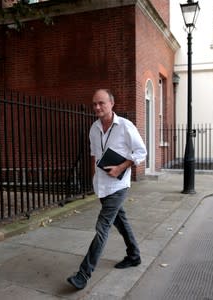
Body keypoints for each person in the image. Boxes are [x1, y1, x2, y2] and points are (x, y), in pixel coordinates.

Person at [67, 89, 147, 290]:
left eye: (101, 103)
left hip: (118, 185)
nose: (96, 107)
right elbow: (95, 155)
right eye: (94, 103)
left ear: (112, 103)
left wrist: (120, 167)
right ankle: (134, 255)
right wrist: (95, 179)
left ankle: (83, 274)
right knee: (121, 222)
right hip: (102, 185)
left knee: (102, 227)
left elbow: (141, 152)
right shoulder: (94, 128)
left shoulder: (125, 126)